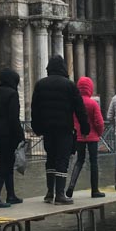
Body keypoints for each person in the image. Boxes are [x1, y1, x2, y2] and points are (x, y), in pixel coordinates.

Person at [31, 55, 89, 205]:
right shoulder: (69, 85)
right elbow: (79, 108)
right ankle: (60, 194)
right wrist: (84, 126)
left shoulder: (40, 85)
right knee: (62, 159)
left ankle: (50, 192)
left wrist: (36, 127)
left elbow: (35, 108)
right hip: (64, 128)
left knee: (50, 158)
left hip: (48, 129)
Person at [0, 68, 25, 208]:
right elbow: (13, 118)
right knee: (4, 165)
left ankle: (11, 195)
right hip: (9, 135)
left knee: (8, 164)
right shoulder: (12, 94)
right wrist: (20, 136)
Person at [64, 77, 105, 199]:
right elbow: (99, 121)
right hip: (92, 137)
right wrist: (99, 133)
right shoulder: (93, 103)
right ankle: (95, 190)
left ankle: (71, 187)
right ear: (90, 88)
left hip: (79, 136)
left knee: (79, 161)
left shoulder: (75, 102)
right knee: (94, 162)